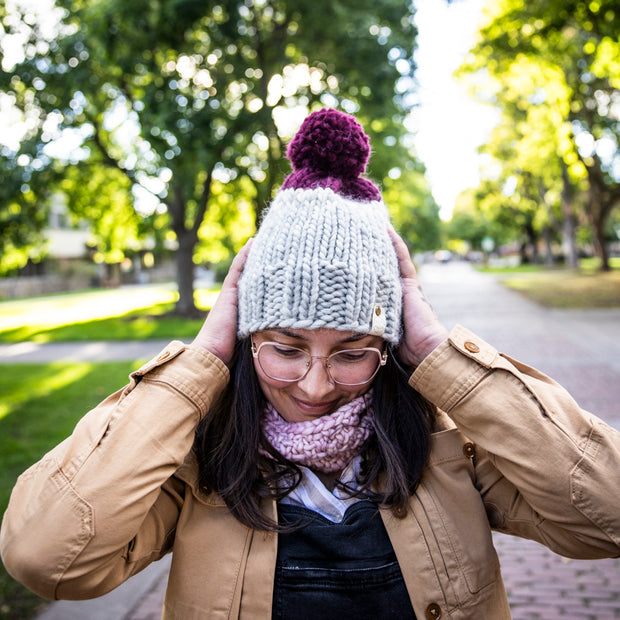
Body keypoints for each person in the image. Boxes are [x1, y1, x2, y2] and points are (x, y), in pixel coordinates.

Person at [1, 109, 619, 620]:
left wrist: (439, 355)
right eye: (286, 349)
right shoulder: (198, 460)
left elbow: (606, 516)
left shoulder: (449, 446)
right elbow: (47, 556)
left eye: (352, 353)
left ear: (388, 348)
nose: (316, 386)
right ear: (246, 340)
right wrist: (200, 362)